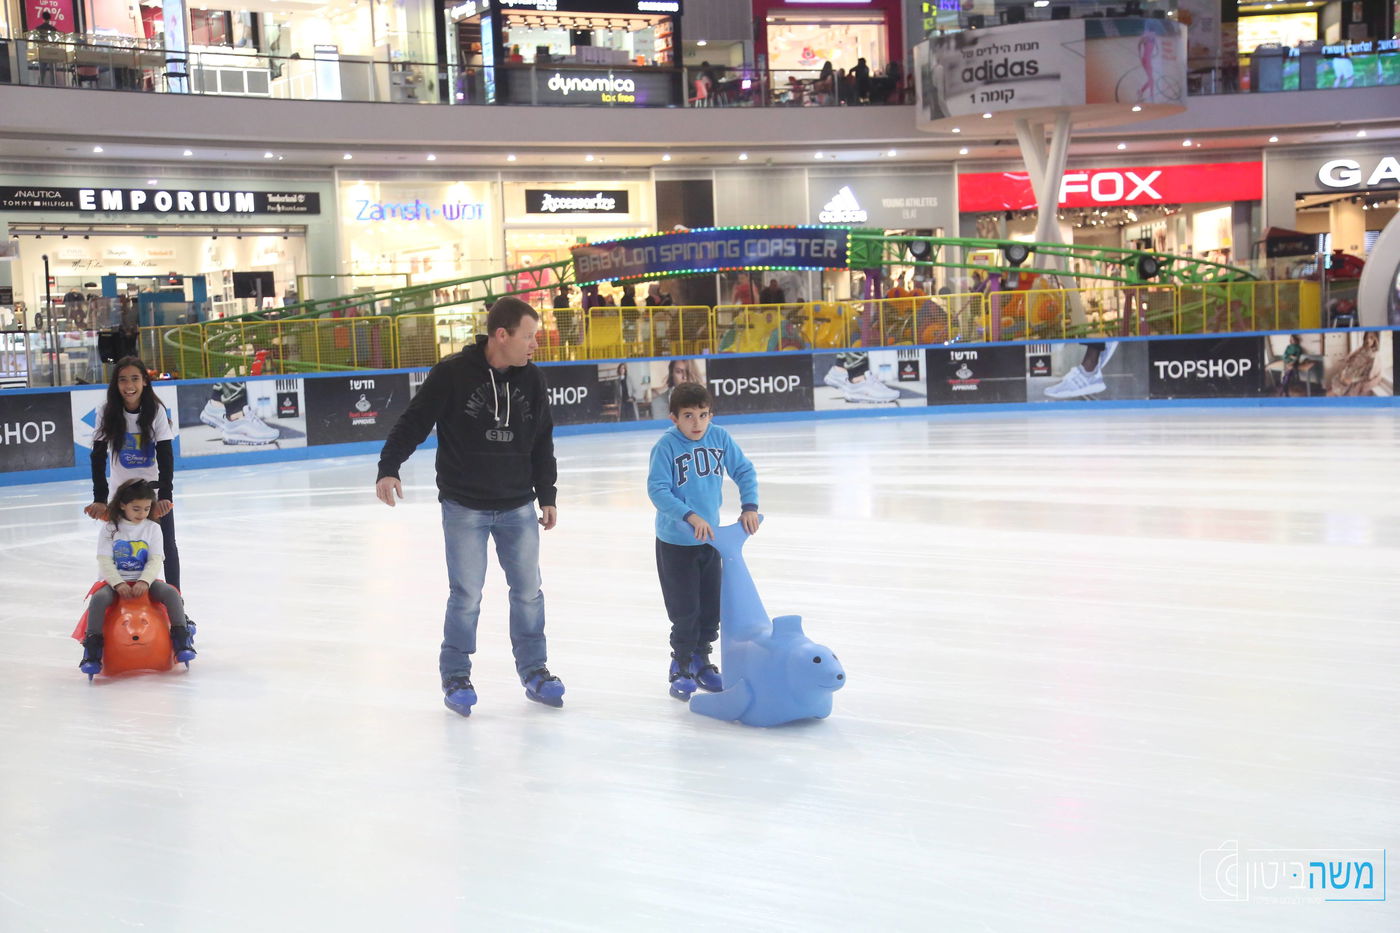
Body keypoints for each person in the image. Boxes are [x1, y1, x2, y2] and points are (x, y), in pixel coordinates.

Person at [375, 297, 563, 716]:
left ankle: (535, 671)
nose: (535, 344)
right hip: (465, 507)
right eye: (529, 336)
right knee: (466, 595)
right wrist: (389, 466)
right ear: (502, 335)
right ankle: (456, 674)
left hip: (518, 506)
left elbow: (541, 440)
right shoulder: (453, 373)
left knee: (528, 594)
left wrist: (546, 494)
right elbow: (415, 420)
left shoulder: (532, 378)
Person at [647, 382, 759, 700]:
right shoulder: (666, 446)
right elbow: (658, 489)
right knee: (686, 611)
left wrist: (749, 506)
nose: (697, 423)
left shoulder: (719, 437)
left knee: (711, 609)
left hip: (711, 541)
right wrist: (689, 516)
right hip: (675, 543)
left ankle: (702, 661)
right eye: (688, 416)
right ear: (673, 418)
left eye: (703, 415)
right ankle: (680, 664)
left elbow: (744, 470)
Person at [83, 359, 193, 623]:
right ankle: (114, 603)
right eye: (123, 379)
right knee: (120, 548)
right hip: (121, 495)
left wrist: (165, 496)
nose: (129, 385)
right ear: (116, 384)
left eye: (134, 378)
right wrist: (100, 499)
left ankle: (177, 605)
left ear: (144, 381)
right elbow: (98, 457)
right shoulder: (107, 411)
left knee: (166, 545)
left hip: (152, 493)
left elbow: (166, 454)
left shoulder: (155, 410)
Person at [79, 479, 194, 676]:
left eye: (147, 509)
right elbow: (105, 560)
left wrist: (144, 581)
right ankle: (93, 649)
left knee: (171, 593)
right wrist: (117, 584)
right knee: (98, 599)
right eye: (136, 509)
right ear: (123, 505)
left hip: (145, 581)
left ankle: (180, 639)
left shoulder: (153, 528)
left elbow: (156, 559)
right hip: (113, 581)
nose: (142, 514)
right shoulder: (110, 528)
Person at [1326, 330, 1387, 397]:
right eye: (1366, 337)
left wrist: (1351, 380)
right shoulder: (1362, 348)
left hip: (1352, 378)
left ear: (1376, 339)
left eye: (1371, 338)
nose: (1368, 340)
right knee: (1330, 388)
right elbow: (1351, 359)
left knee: (1331, 394)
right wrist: (1344, 370)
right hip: (1347, 372)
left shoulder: (1374, 356)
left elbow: (1367, 376)